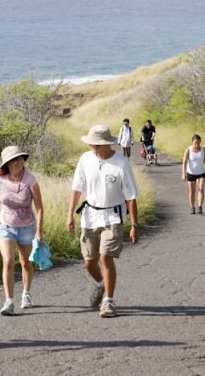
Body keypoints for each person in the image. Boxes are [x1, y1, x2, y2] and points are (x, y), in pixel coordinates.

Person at [66, 125, 139, 318]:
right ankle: (100, 284)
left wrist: (134, 225)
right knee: (89, 262)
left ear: (107, 144)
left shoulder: (121, 163)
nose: (94, 147)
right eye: (92, 144)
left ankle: (109, 301)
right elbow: (77, 188)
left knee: (105, 257)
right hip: (89, 216)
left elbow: (131, 196)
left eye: (97, 144)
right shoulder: (85, 159)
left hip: (112, 217)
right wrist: (69, 216)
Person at [0, 145, 44, 316]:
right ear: (8, 164)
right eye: (15, 159)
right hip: (6, 226)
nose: (19, 162)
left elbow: (40, 207)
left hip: (27, 227)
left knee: (26, 262)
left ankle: (26, 294)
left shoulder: (30, 180)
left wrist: (39, 231)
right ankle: (9, 301)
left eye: (20, 159)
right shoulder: (0, 181)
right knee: (8, 261)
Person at [181, 134, 205, 214]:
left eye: (198, 142)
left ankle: (200, 207)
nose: (197, 144)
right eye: (195, 143)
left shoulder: (203, 150)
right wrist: (183, 174)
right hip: (191, 173)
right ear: (192, 142)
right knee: (192, 191)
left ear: (200, 142)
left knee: (201, 189)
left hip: (201, 172)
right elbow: (184, 162)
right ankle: (192, 207)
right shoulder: (188, 150)